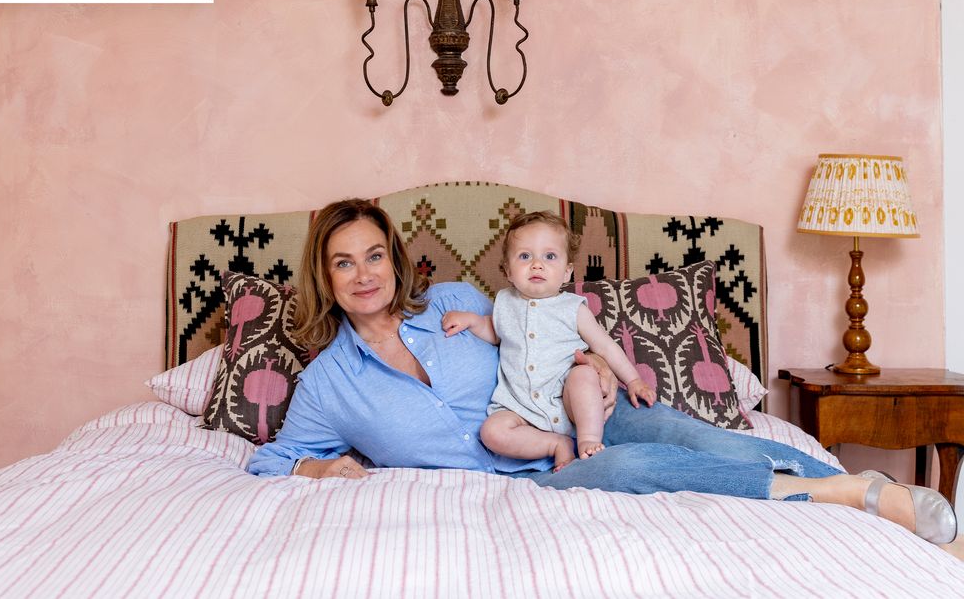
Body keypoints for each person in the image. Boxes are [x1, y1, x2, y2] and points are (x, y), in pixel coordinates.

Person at [246, 199, 958, 547]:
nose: (363, 274)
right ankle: (841, 491)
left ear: (394, 260)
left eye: (374, 255)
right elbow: (270, 459)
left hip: (586, 414)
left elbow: (540, 331)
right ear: (325, 275)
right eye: (344, 262)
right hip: (538, 466)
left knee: (687, 431)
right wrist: (316, 471)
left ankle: (849, 478)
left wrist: (593, 364)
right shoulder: (330, 383)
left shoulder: (457, 303)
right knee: (639, 467)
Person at [441, 211, 655, 471]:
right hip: (518, 406)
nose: (537, 264)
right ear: (508, 270)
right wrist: (472, 321)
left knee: (584, 376)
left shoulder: (573, 308)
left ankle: (588, 440)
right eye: (525, 256)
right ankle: (556, 444)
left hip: (565, 399)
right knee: (491, 432)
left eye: (549, 256)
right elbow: (497, 333)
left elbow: (605, 346)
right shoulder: (505, 302)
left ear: (567, 272)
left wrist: (633, 380)